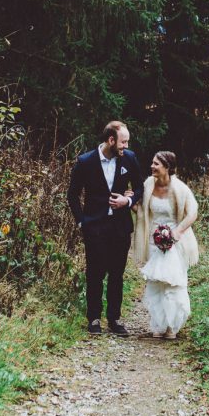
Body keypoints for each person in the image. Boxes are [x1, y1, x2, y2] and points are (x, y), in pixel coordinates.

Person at [67, 121, 144, 335]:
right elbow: (72, 195)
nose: (126, 146)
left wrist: (127, 201)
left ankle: (114, 319)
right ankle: (93, 319)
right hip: (95, 227)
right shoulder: (85, 162)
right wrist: (82, 222)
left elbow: (140, 187)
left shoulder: (129, 158)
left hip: (120, 226)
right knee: (95, 273)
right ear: (111, 140)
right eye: (123, 142)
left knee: (117, 274)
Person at [132, 151, 199, 339]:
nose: (152, 166)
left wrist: (177, 232)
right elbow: (143, 211)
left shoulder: (180, 189)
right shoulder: (148, 184)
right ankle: (158, 323)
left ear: (167, 167)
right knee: (156, 283)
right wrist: (130, 203)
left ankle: (171, 327)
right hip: (154, 240)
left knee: (172, 282)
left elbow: (192, 213)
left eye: (156, 164)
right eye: (152, 163)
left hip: (174, 241)